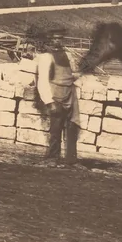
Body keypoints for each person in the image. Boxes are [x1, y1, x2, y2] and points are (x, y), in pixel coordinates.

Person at [33, 29, 79, 166]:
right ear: (50, 40)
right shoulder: (46, 57)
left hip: (70, 94)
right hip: (56, 94)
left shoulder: (68, 55)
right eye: (55, 39)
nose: (57, 41)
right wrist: (49, 101)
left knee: (72, 127)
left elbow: (73, 73)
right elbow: (42, 81)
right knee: (56, 128)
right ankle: (53, 158)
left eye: (60, 38)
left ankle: (71, 160)